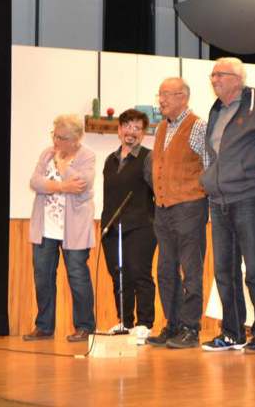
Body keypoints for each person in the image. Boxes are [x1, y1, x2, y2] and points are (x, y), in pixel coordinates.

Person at [200, 58, 255, 353]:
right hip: (218, 200)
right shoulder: (216, 110)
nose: (214, 79)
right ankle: (232, 332)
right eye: (213, 75)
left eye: (220, 75)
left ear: (237, 79)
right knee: (224, 270)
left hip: (250, 196)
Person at [146, 77, 210, 350]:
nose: (161, 100)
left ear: (183, 97)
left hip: (189, 207)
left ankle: (190, 328)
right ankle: (172, 325)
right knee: (165, 271)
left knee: (191, 270)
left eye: (167, 95)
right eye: (160, 94)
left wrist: (194, 193)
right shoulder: (161, 128)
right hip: (163, 208)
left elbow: (209, 166)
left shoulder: (197, 126)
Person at [25, 114, 96, 343]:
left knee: (77, 277)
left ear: (76, 139)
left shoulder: (87, 156)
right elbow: (35, 182)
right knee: (42, 277)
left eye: (62, 138)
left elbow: (82, 186)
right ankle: (44, 326)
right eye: (55, 135)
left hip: (74, 229)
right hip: (45, 227)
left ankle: (85, 326)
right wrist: (63, 186)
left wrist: (64, 167)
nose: (57, 142)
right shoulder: (47, 154)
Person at [101, 109, 157, 338]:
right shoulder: (110, 160)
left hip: (142, 225)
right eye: (127, 126)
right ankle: (124, 321)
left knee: (139, 273)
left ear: (143, 134)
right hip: (113, 227)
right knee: (119, 274)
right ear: (119, 129)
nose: (131, 132)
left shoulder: (148, 157)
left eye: (137, 128)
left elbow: (156, 191)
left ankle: (145, 323)